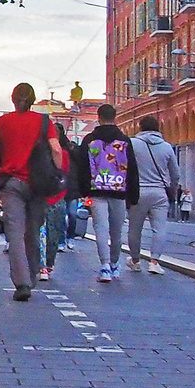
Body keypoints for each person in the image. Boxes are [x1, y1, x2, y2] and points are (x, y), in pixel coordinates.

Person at [0, 83, 63, 301]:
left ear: (12, 99)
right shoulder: (43, 122)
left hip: (12, 183)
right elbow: (56, 149)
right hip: (38, 184)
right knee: (33, 230)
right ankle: (33, 274)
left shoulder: (3, 122)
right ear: (32, 99)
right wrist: (56, 173)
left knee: (15, 233)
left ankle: (22, 283)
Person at [70, 102, 137, 283]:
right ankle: (115, 264)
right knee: (116, 231)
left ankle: (105, 266)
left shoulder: (89, 140)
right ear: (114, 117)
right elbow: (132, 169)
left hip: (96, 190)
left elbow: (83, 167)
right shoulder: (124, 140)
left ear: (98, 118)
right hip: (119, 191)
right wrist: (133, 195)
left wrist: (83, 190)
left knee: (100, 229)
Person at [127, 115, 179, 275]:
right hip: (159, 193)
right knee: (159, 228)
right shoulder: (167, 147)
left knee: (135, 229)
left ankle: (135, 260)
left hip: (138, 192)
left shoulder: (133, 144)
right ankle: (155, 261)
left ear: (141, 127)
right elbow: (175, 174)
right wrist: (173, 188)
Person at [39, 123, 73, 282]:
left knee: (40, 231)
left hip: (41, 195)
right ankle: (47, 264)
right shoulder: (63, 154)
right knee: (54, 232)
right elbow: (64, 175)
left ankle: (43, 265)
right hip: (57, 196)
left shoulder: (36, 153)